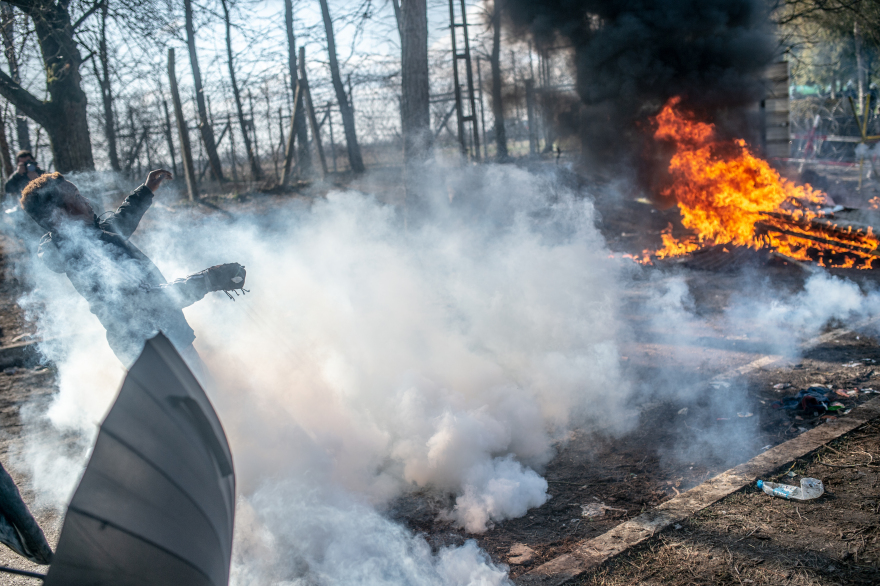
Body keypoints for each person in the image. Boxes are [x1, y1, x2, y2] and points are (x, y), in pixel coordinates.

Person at [19, 169, 247, 366]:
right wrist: (209, 279)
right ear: (60, 216)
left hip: (155, 340)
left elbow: (118, 224)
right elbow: (147, 300)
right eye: (77, 196)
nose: (86, 200)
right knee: (201, 403)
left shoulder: (84, 240)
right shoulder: (90, 256)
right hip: (156, 344)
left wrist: (146, 191)